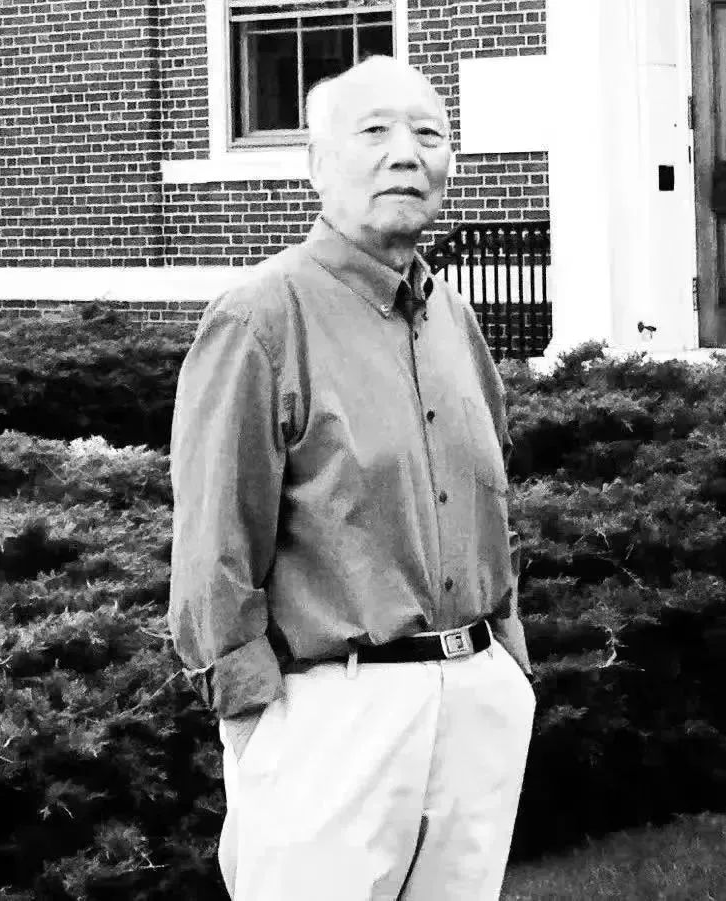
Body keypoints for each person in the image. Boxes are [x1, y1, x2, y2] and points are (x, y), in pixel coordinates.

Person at [169, 55, 535, 901]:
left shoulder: (454, 318)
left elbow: (489, 499)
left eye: (428, 134)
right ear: (317, 163)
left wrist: (505, 659)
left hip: (474, 705)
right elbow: (214, 542)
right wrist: (257, 718)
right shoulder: (260, 318)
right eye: (374, 131)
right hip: (331, 713)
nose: (406, 153)